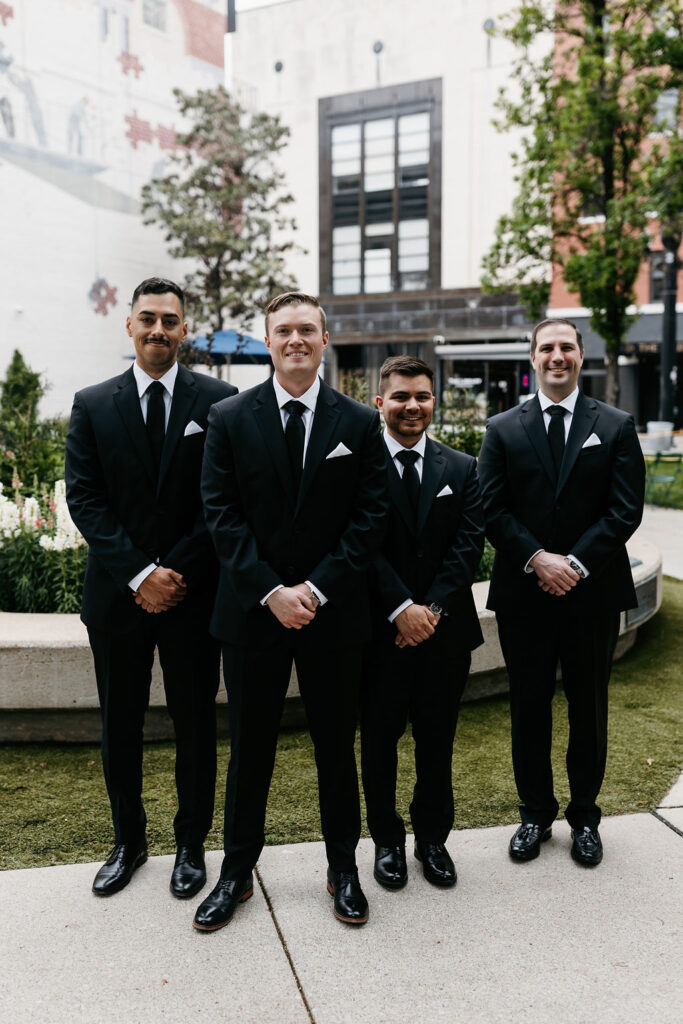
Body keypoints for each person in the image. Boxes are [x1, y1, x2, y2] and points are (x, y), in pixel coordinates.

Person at [194, 291, 388, 932]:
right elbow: (220, 516)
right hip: (253, 616)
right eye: (284, 331)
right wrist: (272, 592)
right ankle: (235, 874)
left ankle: (343, 869)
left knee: (337, 748)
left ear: (325, 340)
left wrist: (318, 590)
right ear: (269, 340)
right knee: (249, 751)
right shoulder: (228, 416)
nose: (296, 339)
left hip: (333, 619)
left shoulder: (359, 423)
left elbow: (369, 517)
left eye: (308, 329)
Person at [65, 277, 236, 898]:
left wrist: (172, 574)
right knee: (121, 726)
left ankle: (191, 845)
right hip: (117, 598)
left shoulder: (220, 403)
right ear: (129, 326)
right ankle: (128, 842)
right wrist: (140, 574)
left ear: (185, 328)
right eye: (148, 319)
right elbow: (84, 498)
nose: (158, 330)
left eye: (170, 320)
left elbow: (220, 502)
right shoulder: (92, 403)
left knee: (195, 724)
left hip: (193, 597)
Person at [477, 318, 645, 867]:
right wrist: (536, 559)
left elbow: (625, 509)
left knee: (588, 708)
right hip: (525, 594)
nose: (557, 356)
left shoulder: (615, 424)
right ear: (533, 357)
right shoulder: (501, 428)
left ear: (580, 355)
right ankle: (534, 815)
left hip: (591, 594)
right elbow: (490, 508)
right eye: (546, 347)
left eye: (566, 347)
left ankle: (585, 818)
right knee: (528, 708)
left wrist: (572, 562)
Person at [360, 356, 485, 891]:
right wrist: (399, 608)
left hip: (444, 632)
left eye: (422, 396)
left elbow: (468, 546)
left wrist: (429, 610)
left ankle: (432, 841)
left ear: (434, 402)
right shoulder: (357, 468)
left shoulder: (462, 468)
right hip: (377, 633)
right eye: (401, 396)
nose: (412, 406)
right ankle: (386, 841)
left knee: (438, 740)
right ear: (379, 403)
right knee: (379, 740)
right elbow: (359, 544)